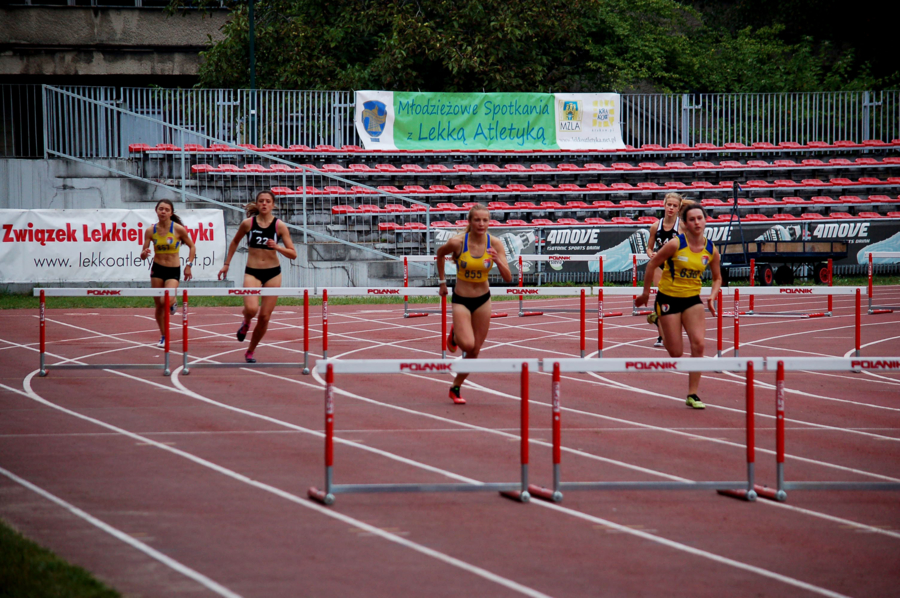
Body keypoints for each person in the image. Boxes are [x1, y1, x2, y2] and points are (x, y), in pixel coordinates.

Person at [635, 201, 722, 409]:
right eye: (692, 219)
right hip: (669, 298)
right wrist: (646, 292)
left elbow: (718, 278)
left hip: (692, 299)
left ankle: (693, 394)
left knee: (699, 344)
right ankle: (659, 319)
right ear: (685, 223)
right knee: (676, 353)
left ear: (705, 221)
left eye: (700, 218)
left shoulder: (711, 249)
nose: (696, 222)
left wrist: (712, 296)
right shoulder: (675, 244)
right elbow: (652, 264)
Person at [437, 204, 512, 404]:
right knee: (467, 344)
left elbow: (508, 277)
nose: (481, 224)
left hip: (483, 299)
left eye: (485, 220)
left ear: (489, 222)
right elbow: (440, 254)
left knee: (474, 351)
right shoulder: (458, 243)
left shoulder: (495, 244)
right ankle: (454, 334)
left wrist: (498, 261)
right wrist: (442, 282)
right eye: (477, 220)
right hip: (461, 299)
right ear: (469, 222)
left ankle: (456, 386)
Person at [218, 191, 297, 363]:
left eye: (268, 201)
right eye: (261, 201)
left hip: (273, 273)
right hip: (252, 271)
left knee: (264, 317)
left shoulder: (279, 226)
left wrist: (277, 247)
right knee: (252, 309)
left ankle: (250, 351)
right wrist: (226, 264)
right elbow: (234, 242)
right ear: (257, 203)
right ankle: (246, 321)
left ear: (272, 205)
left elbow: (293, 254)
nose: (264, 204)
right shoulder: (248, 223)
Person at [140, 199, 197, 348]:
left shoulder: (178, 229)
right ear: (156, 210)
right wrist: (145, 253)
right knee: (159, 305)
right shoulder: (150, 231)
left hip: (173, 270)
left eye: (166, 209)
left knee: (166, 301)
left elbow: (192, 246)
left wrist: (188, 265)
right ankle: (164, 336)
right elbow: (142, 254)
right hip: (157, 269)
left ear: (171, 212)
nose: (163, 212)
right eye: (161, 209)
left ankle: (173, 301)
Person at [646, 193, 684, 347]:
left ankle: (666, 325)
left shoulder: (681, 226)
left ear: (678, 208)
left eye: (674, 206)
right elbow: (649, 248)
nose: (671, 208)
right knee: (662, 300)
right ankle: (661, 337)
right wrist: (652, 254)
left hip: (675, 266)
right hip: (660, 265)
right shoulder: (656, 226)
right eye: (669, 205)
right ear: (664, 205)